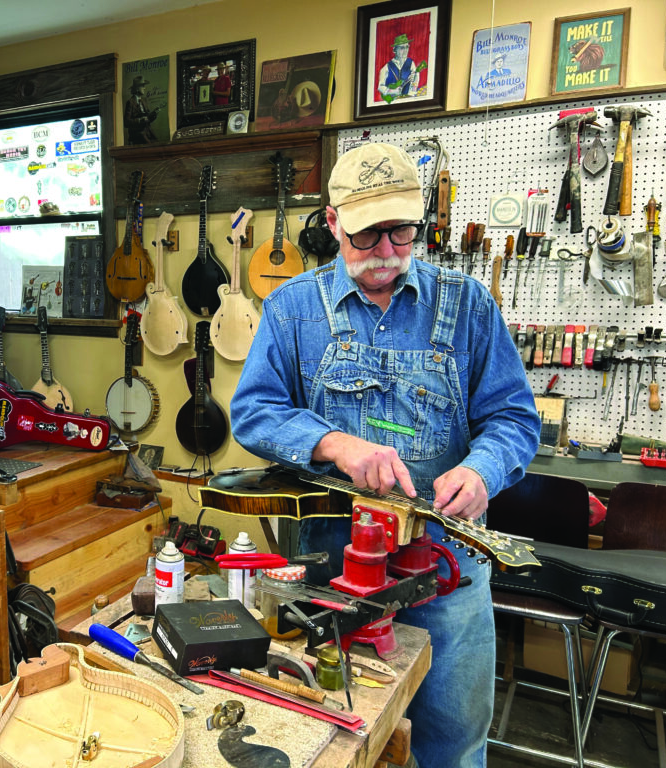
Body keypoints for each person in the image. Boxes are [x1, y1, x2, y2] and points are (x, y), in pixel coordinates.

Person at [230, 142, 540, 768]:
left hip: (447, 567)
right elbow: (253, 411)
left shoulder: (469, 304)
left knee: (451, 744)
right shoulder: (293, 309)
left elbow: (513, 418)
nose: (387, 252)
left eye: (402, 231)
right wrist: (333, 442)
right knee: (323, 742)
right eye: (368, 233)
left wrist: (482, 471)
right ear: (333, 219)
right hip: (326, 568)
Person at [378, 34, 420, 101]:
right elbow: (380, 87)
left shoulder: (411, 63)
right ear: (394, 50)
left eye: (407, 47)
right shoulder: (387, 67)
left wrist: (412, 93)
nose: (405, 50)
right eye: (402, 48)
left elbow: (416, 80)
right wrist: (393, 91)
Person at [123, 76, 159, 145]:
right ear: (137, 88)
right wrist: (140, 120)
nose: (144, 88)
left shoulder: (144, 100)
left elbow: (147, 118)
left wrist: (153, 115)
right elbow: (126, 122)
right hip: (137, 135)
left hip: (148, 132)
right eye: (142, 86)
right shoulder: (130, 102)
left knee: (157, 145)